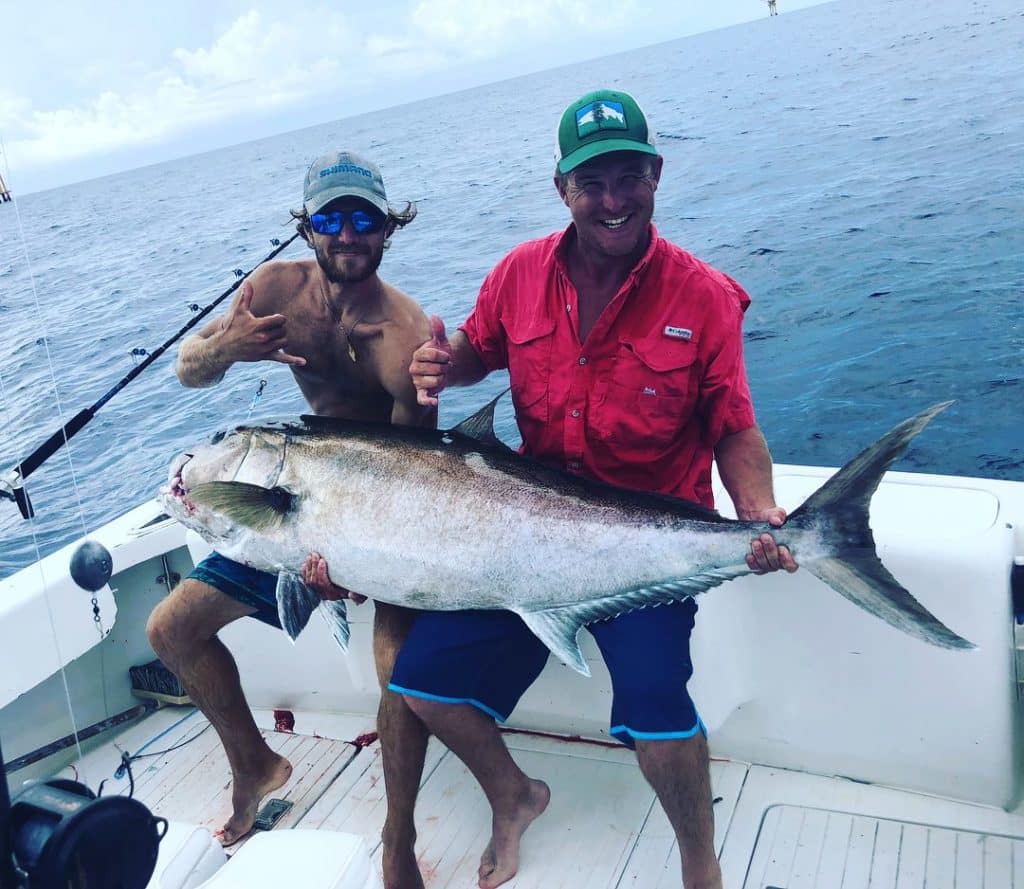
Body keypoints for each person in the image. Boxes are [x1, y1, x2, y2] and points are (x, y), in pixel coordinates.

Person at [401, 89, 797, 889]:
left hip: (643, 545)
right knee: (422, 683)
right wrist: (446, 364)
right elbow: (481, 347)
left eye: (628, 177)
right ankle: (513, 795)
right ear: (562, 189)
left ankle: (700, 862)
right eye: (593, 183)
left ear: (655, 174)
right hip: (519, 534)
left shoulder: (705, 295)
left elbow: (733, 426)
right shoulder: (518, 274)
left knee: (657, 713)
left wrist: (758, 511)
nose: (612, 200)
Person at [146, 150, 432, 888]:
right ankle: (256, 766)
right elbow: (187, 367)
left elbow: (415, 470)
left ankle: (396, 838)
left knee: (398, 671)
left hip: (374, 511)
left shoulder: (404, 336)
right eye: (331, 217)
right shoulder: (274, 291)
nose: (347, 234)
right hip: (299, 507)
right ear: (307, 228)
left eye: (363, 218)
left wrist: (351, 561)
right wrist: (226, 347)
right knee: (170, 629)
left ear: (386, 228)